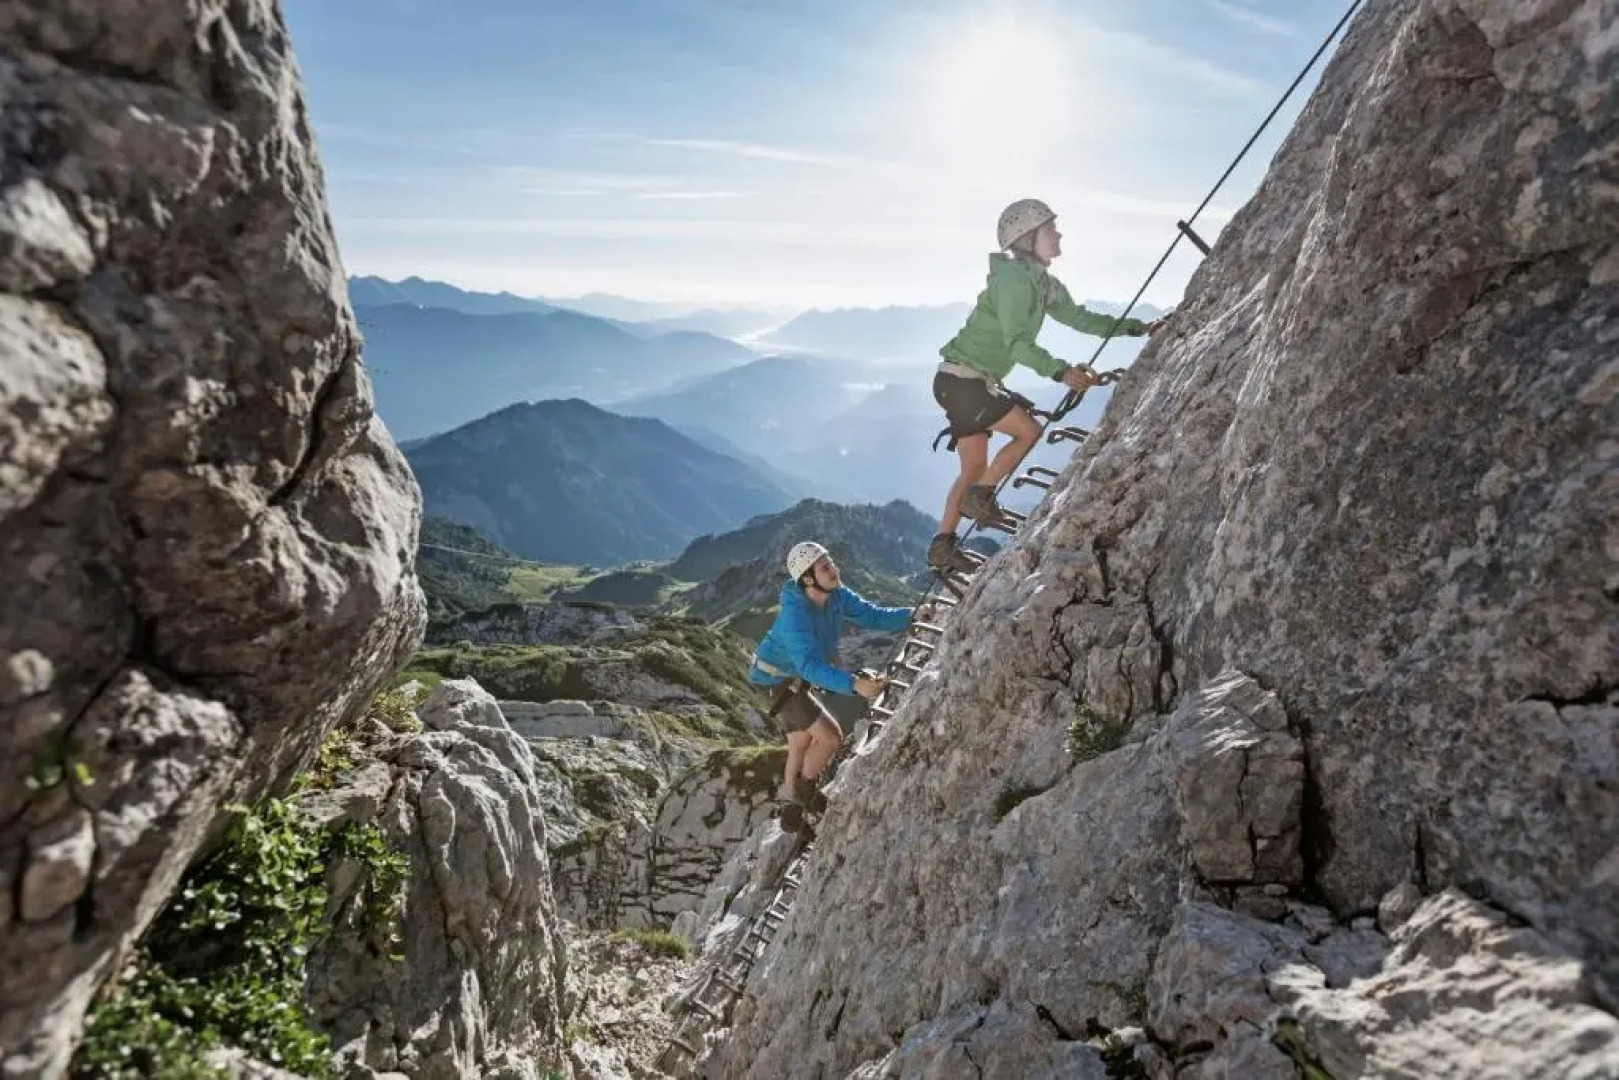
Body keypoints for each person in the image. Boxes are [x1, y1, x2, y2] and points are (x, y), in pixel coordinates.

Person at [926, 198, 1159, 572]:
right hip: (965, 381)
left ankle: (944, 542)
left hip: (958, 380)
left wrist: (1138, 328)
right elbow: (1017, 342)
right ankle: (980, 496)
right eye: (1051, 228)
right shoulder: (1014, 282)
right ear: (1028, 237)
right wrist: (1061, 371)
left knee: (972, 467)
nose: (1058, 233)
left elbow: (1080, 318)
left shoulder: (1040, 283)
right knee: (1028, 431)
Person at [747, 541, 910, 819]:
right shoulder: (794, 616)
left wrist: (912, 615)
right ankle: (804, 793)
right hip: (775, 682)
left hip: (788, 676)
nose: (834, 568)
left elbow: (871, 615)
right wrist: (853, 684)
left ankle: (790, 805)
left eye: (830, 562)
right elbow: (810, 665)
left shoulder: (836, 596)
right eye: (825, 566)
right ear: (808, 578)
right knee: (830, 738)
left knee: (799, 744)